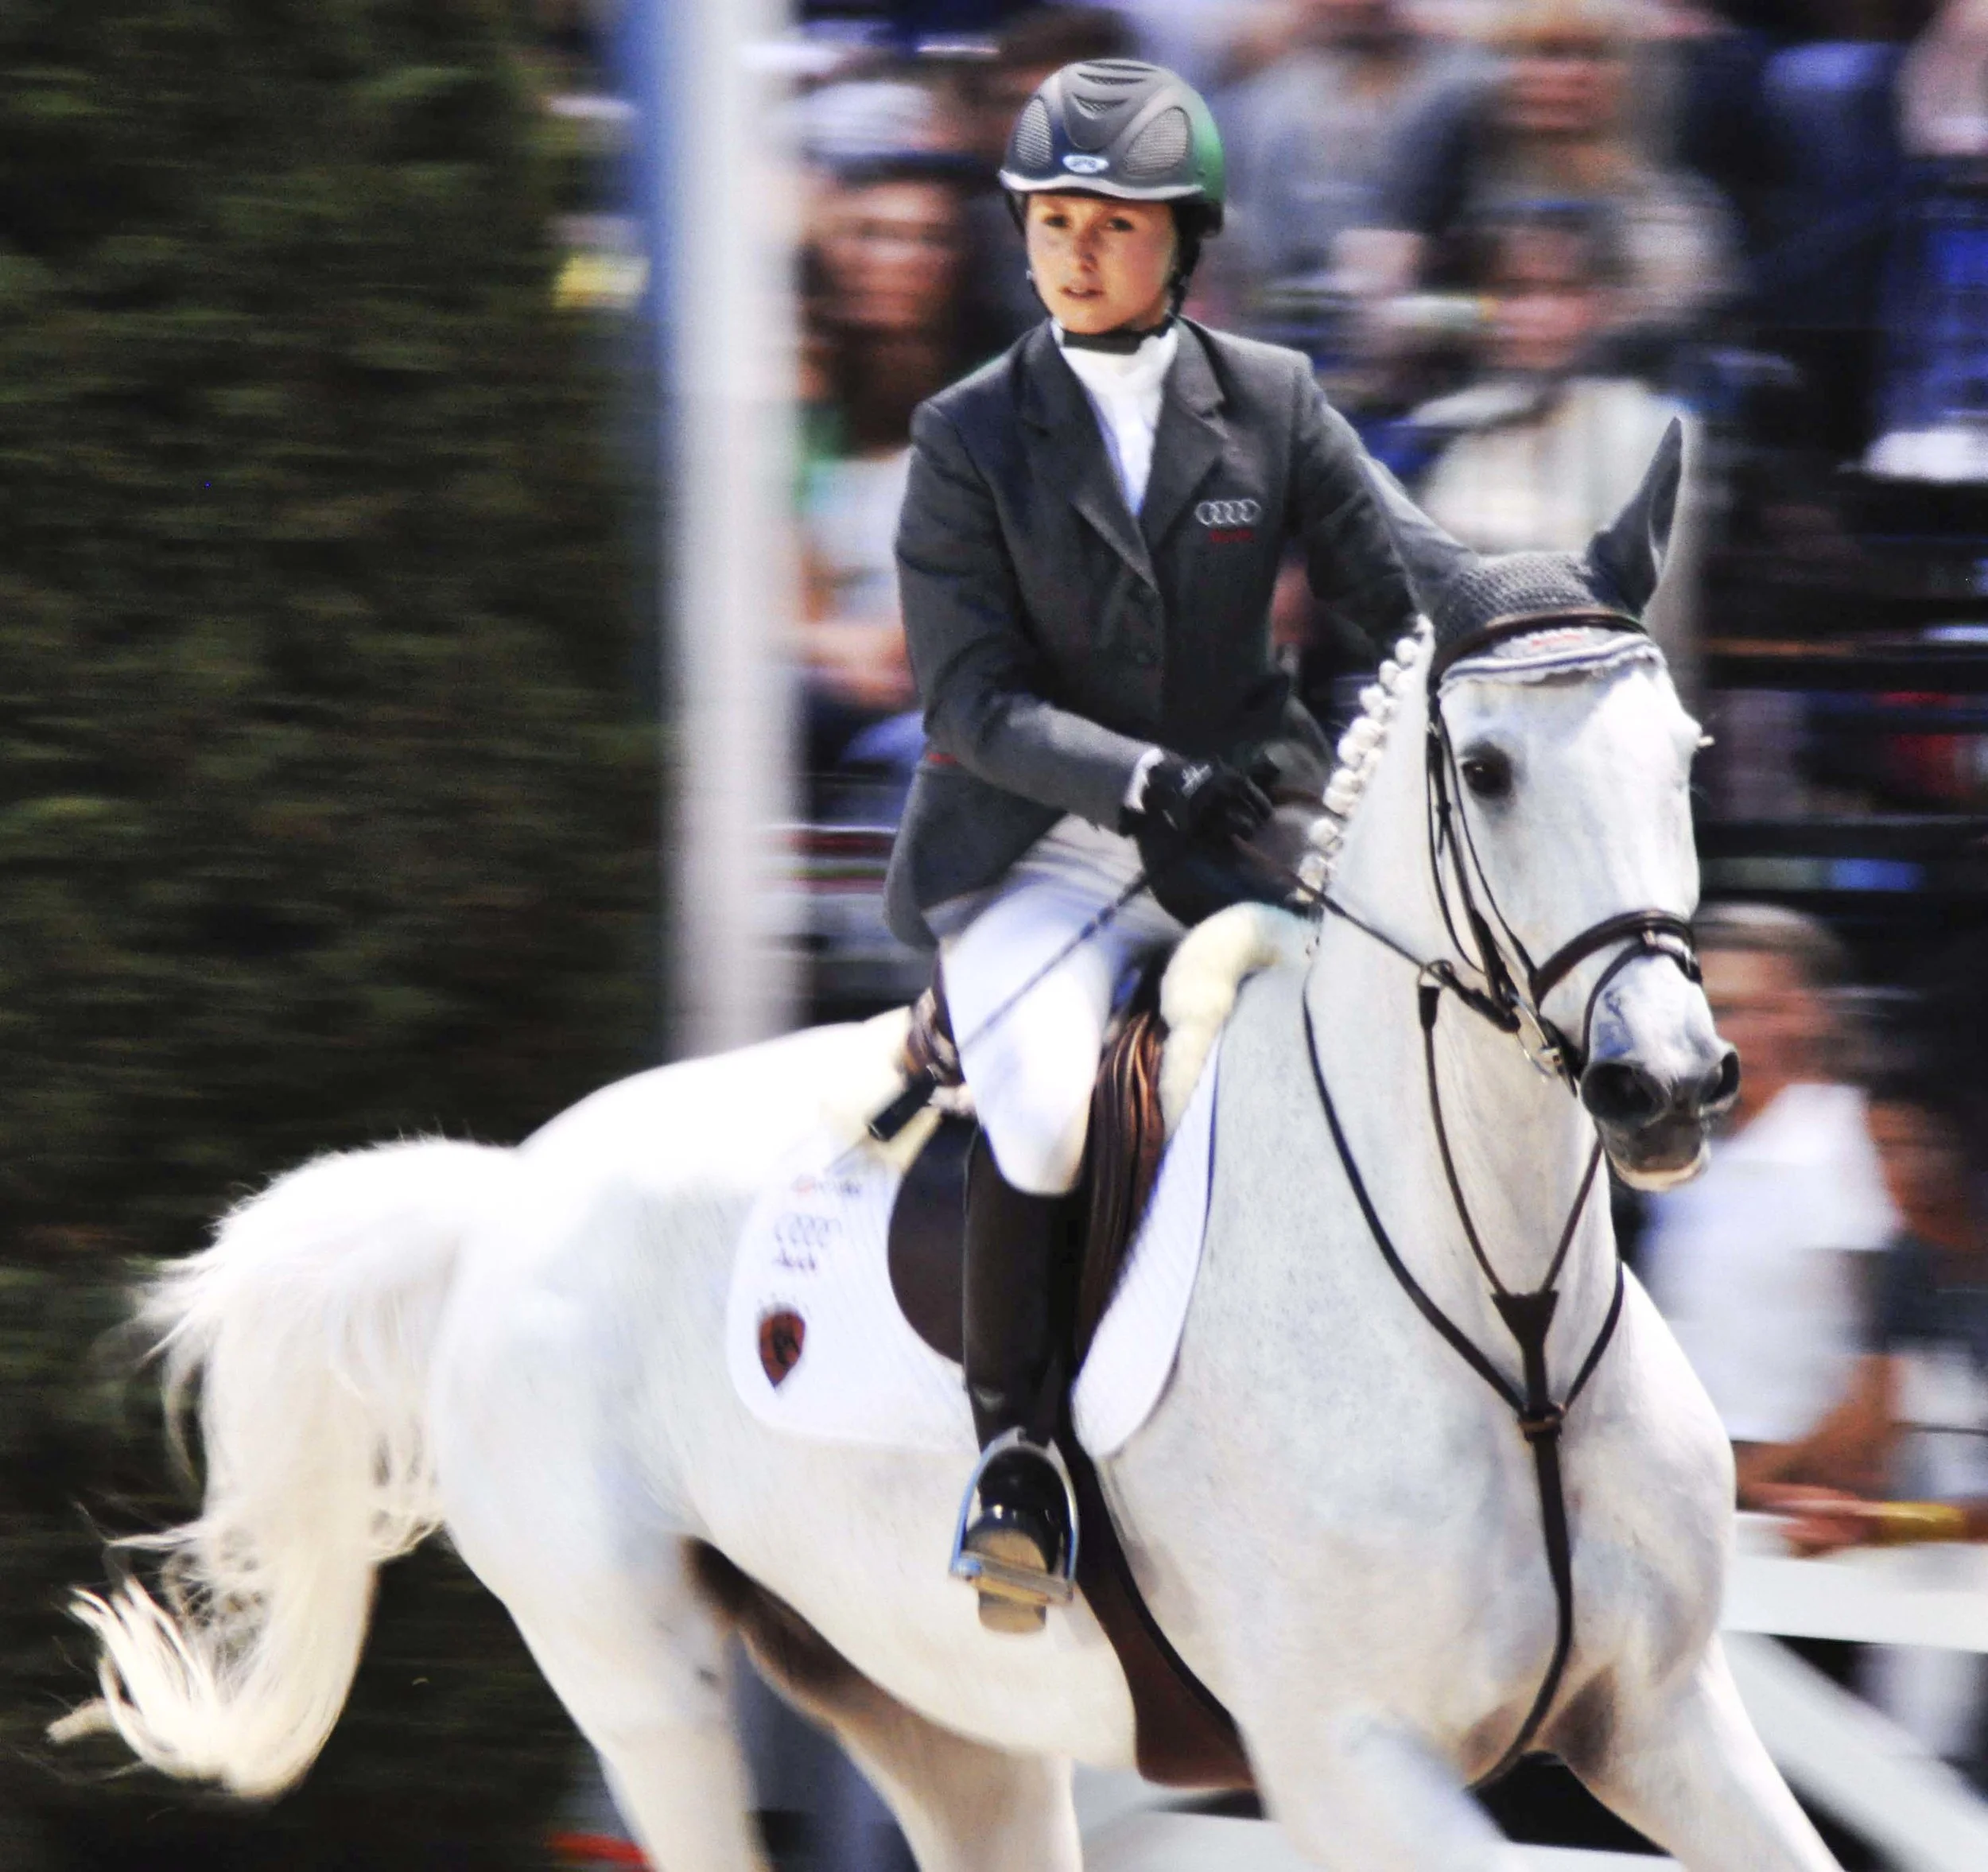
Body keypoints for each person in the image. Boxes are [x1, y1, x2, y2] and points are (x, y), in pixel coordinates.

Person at [883, 57, 1418, 1626]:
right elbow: (971, 700)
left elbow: (1396, 591)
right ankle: (1016, 1455)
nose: (1075, 251)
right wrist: (1136, 778)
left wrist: (1535, 606)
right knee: (1050, 1114)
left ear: (1182, 241)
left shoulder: (1272, 400)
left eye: (1112, 224)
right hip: (1040, 847)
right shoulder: (965, 434)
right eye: (1052, 221)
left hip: (1241, 830)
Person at [1639, 904, 1899, 1485]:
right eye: (1703, 1010)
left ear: (1809, 1015)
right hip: (1691, 1472)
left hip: (1808, 1491)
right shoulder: (1686, 1153)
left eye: (1739, 1010)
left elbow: (1891, 1371)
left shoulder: (1857, 1143)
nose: (1712, 1032)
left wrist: (1756, 1484)